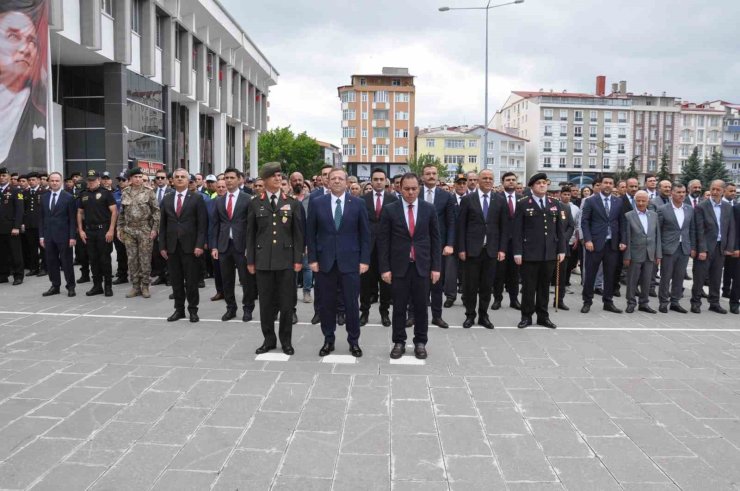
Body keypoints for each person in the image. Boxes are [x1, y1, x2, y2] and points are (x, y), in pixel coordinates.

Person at [306, 167, 370, 358]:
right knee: (326, 304)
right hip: (325, 262)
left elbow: (365, 235)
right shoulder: (317, 203)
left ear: (347, 182)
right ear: (327, 181)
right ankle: (328, 340)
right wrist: (313, 259)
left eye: (340, 178)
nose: (336, 181)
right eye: (332, 178)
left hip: (350, 261)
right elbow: (311, 234)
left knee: (351, 303)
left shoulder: (358, 204)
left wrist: (364, 260)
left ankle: (354, 341)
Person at [378, 172, 440, 360]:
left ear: (419, 189)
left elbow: (436, 240)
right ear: (399, 188)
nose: (410, 192)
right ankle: (399, 342)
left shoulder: (429, 209)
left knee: (421, 306)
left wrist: (436, 267)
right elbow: (383, 241)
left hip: (422, 266)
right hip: (398, 267)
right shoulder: (390, 210)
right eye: (406, 189)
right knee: (398, 307)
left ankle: (420, 342)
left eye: (414, 189)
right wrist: (384, 268)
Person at [246, 162, 304, 355]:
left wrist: (297, 260)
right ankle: (268, 340)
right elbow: (250, 235)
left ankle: (286, 341)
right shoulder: (255, 202)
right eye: (274, 176)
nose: (278, 179)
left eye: (280, 176)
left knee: (287, 304)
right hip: (263, 261)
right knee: (266, 304)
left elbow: (298, 235)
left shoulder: (292, 202)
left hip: (286, 261)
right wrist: (251, 261)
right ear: (265, 180)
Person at [512, 173, 566, 328]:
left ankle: (543, 316)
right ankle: (526, 316)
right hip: (529, 252)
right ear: (532, 187)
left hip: (549, 252)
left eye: (544, 183)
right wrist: (517, 252)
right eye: (539, 183)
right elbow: (517, 230)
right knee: (529, 287)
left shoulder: (554, 203)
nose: (542, 185)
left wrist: (561, 249)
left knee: (544, 287)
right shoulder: (523, 203)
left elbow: (559, 230)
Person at [456, 169, 507, 329]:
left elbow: (504, 227)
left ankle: (483, 316)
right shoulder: (468, 200)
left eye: (490, 178)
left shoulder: (499, 200)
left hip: (491, 250)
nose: (487, 180)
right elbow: (461, 226)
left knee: (486, 286)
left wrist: (502, 249)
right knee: (470, 286)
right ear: (478, 180)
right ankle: (470, 315)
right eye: (484, 178)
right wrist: (462, 248)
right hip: (472, 250)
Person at [159, 168, 207, 322]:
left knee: (191, 281)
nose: (179, 179)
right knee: (176, 280)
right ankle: (179, 310)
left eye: (183, 177)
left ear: (188, 180)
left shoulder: (197, 198)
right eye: (177, 177)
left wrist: (199, 245)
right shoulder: (166, 199)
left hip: (191, 247)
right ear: (172, 180)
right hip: (172, 247)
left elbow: (202, 224)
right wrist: (162, 246)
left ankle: (193, 310)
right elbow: (163, 225)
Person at [211, 167, 256, 323]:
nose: (229, 180)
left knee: (246, 280)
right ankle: (231, 308)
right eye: (226, 178)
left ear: (239, 179)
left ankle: (248, 308)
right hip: (224, 245)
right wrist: (214, 246)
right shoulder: (219, 200)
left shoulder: (247, 199)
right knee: (226, 280)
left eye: (231, 178)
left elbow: (252, 226)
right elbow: (215, 225)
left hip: (242, 246)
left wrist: (249, 248)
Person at [580, 176, 625, 314]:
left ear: (613, 186)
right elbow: (585, 221)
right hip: (594, 244)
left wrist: (623, 241)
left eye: (610, 183)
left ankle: (608, 302)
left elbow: (622, 222)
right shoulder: (591, 201)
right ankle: (587, 301)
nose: (607, 185)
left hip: (612, 244)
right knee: (591, 274)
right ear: (600, 185)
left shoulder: (618, 201)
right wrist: (587, 240)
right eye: (605, 183)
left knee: (610, 274)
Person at [690, 180, 736, 314]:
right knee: (699, 276)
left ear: (723, 191)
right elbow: (699, 230)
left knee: (716, 277)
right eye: (713, 189)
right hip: (705, 248)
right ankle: (696, 302)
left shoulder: (728, 207)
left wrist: (729, 247)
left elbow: (731, 228)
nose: (714, 192)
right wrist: (702, 249)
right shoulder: (701, 207)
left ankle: (714, 303)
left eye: (717, 190)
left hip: (720, 247)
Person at [360, 168, 397, 327]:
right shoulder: (362, 199)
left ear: (386, 180)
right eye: (375, 179)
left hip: (386, 247)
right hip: (367, 246)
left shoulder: (393, 199)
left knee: (386, 282)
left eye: (382, 179)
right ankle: (364, 312)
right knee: (365, 282)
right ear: (371, 180)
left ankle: (385, 312)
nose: (379, 182)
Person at [419, 164, 455, 328]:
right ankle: (414, 314)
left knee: (437, 282)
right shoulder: (414, 192)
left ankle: (437, 316)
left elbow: (451, 222)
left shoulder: (446, 196)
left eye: (434, 173)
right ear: (422, 176)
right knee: (417, 281)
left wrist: (449, 244)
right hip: (418, 244)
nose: (431, 176)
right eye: (428, 173)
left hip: (438, 245)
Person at [117, 167, 160, 298]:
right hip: (129, 230)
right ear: (130, 179)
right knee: (132, 259)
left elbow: (156, 212)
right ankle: (135, 286)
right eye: (136, 177)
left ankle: (145, 286)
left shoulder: (149, 192)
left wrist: (154, 229)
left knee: (145, 259)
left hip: (144, 230)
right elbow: (122, 213)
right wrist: (119, 229)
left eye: (140, 177)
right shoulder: (125, 192)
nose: (138, 179)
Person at [77, 170, 117, 297]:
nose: (91, 182)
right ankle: (97, 286)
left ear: (99, 180)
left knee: (104, 259)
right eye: (89, 180)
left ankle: (108, 286)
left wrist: (111, 230)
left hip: (103, 230)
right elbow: (79, 213)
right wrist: (81, 230)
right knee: (93, 260)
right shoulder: (83, 194)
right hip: (89, 231)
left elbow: (114, 212)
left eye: (93, 180)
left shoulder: (106, 193)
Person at [656, 183, 695, 314]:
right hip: (668, 248)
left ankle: (675, 302)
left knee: (679, 277)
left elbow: (692, 230)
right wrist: (658, 250)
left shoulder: (689, 209)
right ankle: (663, 302)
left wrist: (692, 247)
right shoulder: (663, 209)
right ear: (672, 193)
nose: (681, 195)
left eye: (683, 192)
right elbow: (658, 231)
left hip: (684, 247)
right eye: (678, 192)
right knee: (666, 277)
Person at [621, 190, 661, 314]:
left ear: (648, 201)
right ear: (635, 201)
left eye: (644, 200)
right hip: (634, 254)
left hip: (650, 253)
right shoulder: (628, 216)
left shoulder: (653, 215)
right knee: (632, 280)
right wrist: (627, 256)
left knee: (647, 280)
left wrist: (658, 254)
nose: (641, 203)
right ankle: (631, 302)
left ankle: (644, 303)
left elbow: (657, 236)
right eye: (638, 200)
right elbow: (627, 237)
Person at [39, 172, 76, 297]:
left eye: (57, 181)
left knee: (67, 262)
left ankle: (71, 286)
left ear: (61, 182)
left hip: (64, 236)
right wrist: (41, 236)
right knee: (51, 262)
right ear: (49, 182)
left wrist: (72, 237)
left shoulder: (69, 197)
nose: (54, 183)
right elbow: (42, 218)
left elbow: (72, 219)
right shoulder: (44, 197)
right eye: (52, 180)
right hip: (49, 236)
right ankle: (55, 286)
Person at [492, 171, 522, 310]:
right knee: (499, 273)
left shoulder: (522, 199)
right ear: (503, 182)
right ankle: (497, 299)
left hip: (517, 242)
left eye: (513, 179)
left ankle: (514, 299)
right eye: (508, 180)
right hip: (500, 242)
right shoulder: (496, 198)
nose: (511, 182)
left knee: (514, 273)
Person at [444, 174, 468, 307]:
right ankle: (450, 296)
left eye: (464, 183)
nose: (462, 185)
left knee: (467, 272)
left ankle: (466, 296)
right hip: (451, 241)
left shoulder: (471, 199)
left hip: (467, 242)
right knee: (450, 272)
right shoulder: (449, 199)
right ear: (454, 185)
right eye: (459, 183)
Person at [0, 167, 24, 284]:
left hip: (11, 227)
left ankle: (18, 275)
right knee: (2, 253)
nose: (2, 177)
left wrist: (16, 226)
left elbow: (20, 210)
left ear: (9, 177)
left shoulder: (15, 190)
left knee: (15, 252)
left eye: (4, 175)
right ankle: (3, 275)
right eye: (0, 175)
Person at [554, 186, 576, 310]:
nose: (566, 196)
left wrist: (564, 238)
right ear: (559, 195)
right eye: (564, 194)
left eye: (569, 194)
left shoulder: (566, 208)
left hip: (563, 247)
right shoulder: (553, 206)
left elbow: (571, 226)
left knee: (561, 276)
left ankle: (559, 299)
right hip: (550, 246)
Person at [21, 171, 44, 276]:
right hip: (29, 225)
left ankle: (44, 268)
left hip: (41, 225)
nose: (31, 182)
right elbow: (22, 210)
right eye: (29, 180)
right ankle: (34, 268)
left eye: (33, 179)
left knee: (43, 247)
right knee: (32, 248)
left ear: (38, 180)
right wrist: (22, 223)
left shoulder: (44, 192)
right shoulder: (24, 193)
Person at [151, 169, 171, 286]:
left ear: (167, 180)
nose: (159, 180)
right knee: (156, 253)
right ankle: (161, 275)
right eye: (157, 178)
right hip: (154, 227)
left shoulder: (172, 192)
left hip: (168, 227)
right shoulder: (151, 192)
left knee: (167, 252)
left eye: (162, 178)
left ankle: (169, 276)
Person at [110, 173, 128, 285]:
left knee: (133, 253)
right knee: (120, 253)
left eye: (123, 179)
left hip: (132, 228)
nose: (121, 181)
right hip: (119, 228)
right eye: (119, 179)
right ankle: (122, 275)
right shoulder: (114, 194)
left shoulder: (134, 193)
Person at [730, 202, 740, 314]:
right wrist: (736, 247)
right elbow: (735, 230)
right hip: (739, 249)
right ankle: (734, 302)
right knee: (738, 278)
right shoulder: (737, 208)